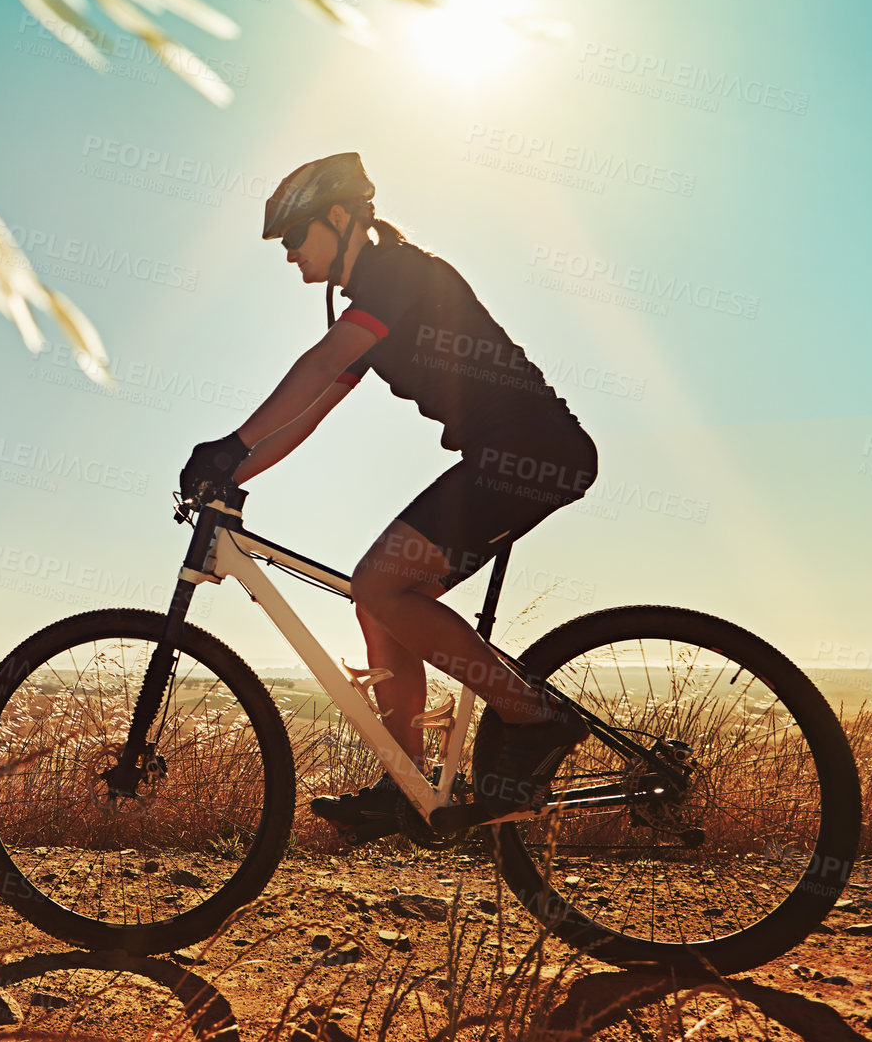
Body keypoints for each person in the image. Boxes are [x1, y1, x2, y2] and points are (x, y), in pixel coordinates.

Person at [178, 152, 598, 843]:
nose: (287, 256)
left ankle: (535, 717)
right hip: (503, 458)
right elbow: (308, 410)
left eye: (293, 237)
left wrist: (228, 443)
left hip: (534, 455)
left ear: (340, 218)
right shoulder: (372, 305)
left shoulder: (398, 273)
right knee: (375, 594)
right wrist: (233, 475)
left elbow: (315, 364)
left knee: (380, 582)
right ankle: (404, 782)